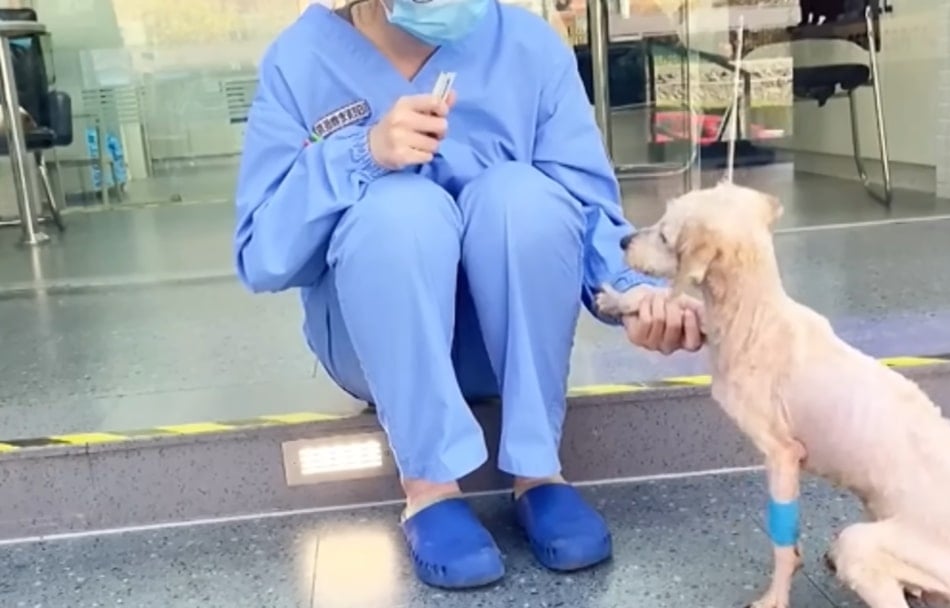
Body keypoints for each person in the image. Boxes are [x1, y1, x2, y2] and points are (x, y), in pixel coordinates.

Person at [233, 0, 704, 591]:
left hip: (504, 349)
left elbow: (586, 209)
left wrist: (632, 295)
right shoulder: (300, 61)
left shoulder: (528, 47)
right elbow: (263, 256)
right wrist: (361, 155)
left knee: (522, 196)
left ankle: (539, 473)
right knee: (398, 210)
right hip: (371, 350)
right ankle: (428, 488)